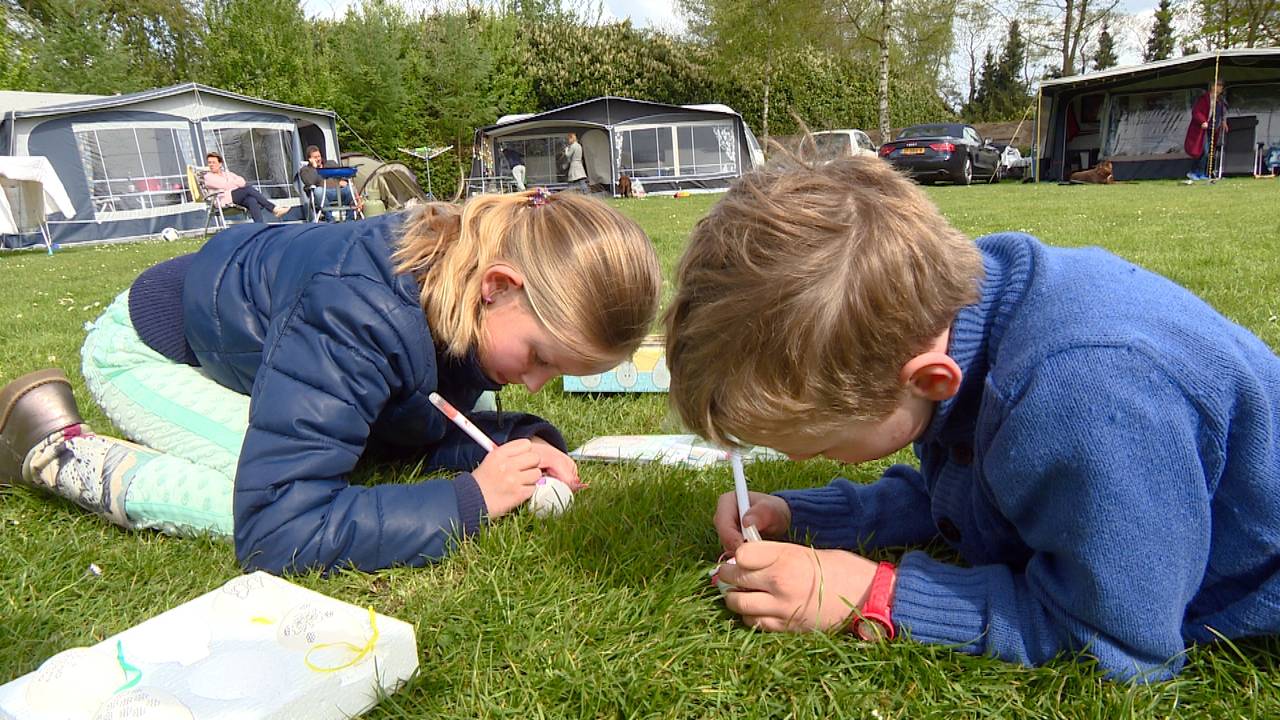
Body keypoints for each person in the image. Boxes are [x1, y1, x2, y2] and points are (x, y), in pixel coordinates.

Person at [664, 153, 1280, 681]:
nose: (800, 459)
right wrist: (808, 515)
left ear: (929, 380)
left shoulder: (1086, 399)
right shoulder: (952, 315)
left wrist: (874, 596)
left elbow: (1117, 640)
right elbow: (973, 495)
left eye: (822, 444)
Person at [0, 189, 661, 575]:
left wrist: (515, 440)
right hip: (148, 352)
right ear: (497, 287)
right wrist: (471, 501)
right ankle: (54, 451)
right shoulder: (360, 310)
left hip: (267, 347)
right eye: (541, 358)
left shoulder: (465, 297)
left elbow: (409, 417)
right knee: (240, 496)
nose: (538, 384)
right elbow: (280, 525)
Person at [201, 151, 288, 223]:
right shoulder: (208, 177)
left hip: (236, 197)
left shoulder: (227, 173)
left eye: (213, 162)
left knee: (251, 200)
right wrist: (234, 183)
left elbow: (242, 182)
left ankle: (260, 226)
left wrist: (231, 183)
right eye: (209, 163)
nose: (211, 165)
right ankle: (274, 209)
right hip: (223, 200)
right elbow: (225, 185)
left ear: (220, 164)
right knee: (248, 189)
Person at [299, 145, 362, 221]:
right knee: (318, 191)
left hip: (338, 190)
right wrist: (314, 168)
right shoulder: (305, 170)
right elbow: (310, 182)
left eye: (319, 156)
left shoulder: (330, 164)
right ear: (309, 159)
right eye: (315, 157)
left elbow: (342, 174)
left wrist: (343, 181)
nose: (318, 159)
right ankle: (330, 218)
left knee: (350, 189)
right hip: (324, 193)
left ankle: (350, 218)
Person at [1184, 80, 1229, 181]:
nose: (1221, 88)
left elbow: (1221, 113)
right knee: (1202, 151)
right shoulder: (1204, 99)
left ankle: (1201, 173)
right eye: (1219, 85)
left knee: (1208, 152)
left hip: (1212, 129)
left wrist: (1223, 121)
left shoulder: (1220, 100)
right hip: (1201, 129)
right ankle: (1194, 172)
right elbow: (1196, 112)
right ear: (1213, 86)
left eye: (1222, 86)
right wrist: (1202, 121)